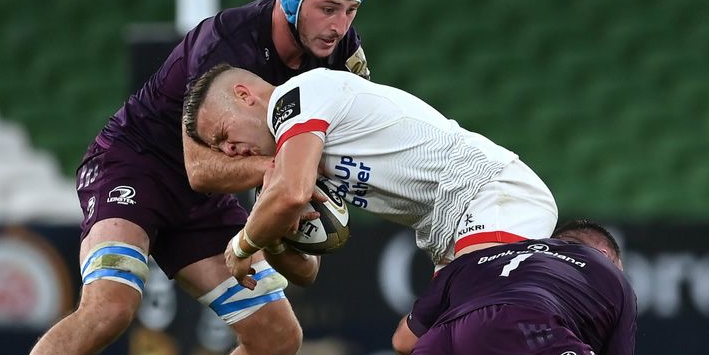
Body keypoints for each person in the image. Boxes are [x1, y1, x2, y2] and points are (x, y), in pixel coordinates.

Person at [19, 0, 371, 355]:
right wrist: (278, 175)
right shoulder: (228, 41)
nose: (338, 26)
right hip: (136, 165)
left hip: (206, 199)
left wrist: (289, 226)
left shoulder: (340, 56)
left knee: (277, 336)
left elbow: (336, 159)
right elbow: (200, 168)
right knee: (110, 307)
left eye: (350, 11)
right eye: (328, 9)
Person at [181, 64, 559, 290]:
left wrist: (243, 245)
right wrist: (274, 238)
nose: (228, 150)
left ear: (245, 95)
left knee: (479, 316)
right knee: (415, 347)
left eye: (222, 135)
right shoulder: (285, 169)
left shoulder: (296, 96)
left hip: (487, 190)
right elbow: (307, 273)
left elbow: (293, 193)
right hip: (446, 232)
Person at [391, 219, 637, 355]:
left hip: (439, 345)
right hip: (525, 327)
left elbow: (404, 342)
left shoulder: (474, 260)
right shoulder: (610, 273)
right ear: (606, 254)